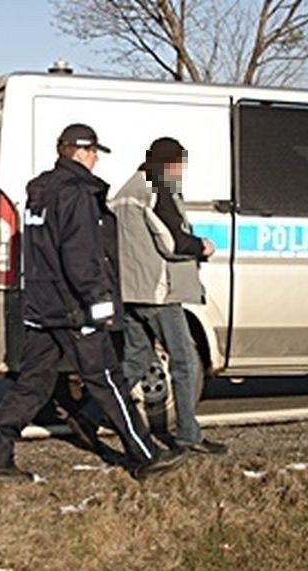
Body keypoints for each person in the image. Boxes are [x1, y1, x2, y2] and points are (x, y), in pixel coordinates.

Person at [0, 124, 187, 483]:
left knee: (33, 385)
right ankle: (146, 456)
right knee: (106, 379)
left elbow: (43, 251)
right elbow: (82, 255)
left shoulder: (40, 192)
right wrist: (98, 303)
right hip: (74, 308)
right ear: (82, 152)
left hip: (42, 306)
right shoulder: (76, 193)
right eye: (94, 153)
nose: (96, 160)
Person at [111, 137, 227, 455]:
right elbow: (171, 241)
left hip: (131, 292)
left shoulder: (124, 191)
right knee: (185, 363)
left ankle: (105, 411)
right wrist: (202, 245)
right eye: (179, 164)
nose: (181, 171)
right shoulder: (155, 188)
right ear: (168, 163)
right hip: (159, 292)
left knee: (134, 361)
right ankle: (188, 435)